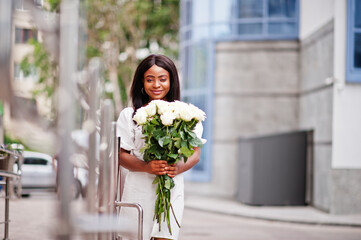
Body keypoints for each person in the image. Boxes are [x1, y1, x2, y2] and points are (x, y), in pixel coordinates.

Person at [116, 54, 206, 240]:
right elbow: (120, 155)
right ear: (142, 82)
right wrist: (146, 167)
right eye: (150, 79)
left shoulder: (187, 116)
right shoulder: (129, 116)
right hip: (138, 190)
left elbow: (196, 153)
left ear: (171, 81)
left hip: (171, 191)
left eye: (162, 79)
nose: (156, 85)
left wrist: (180, 167)